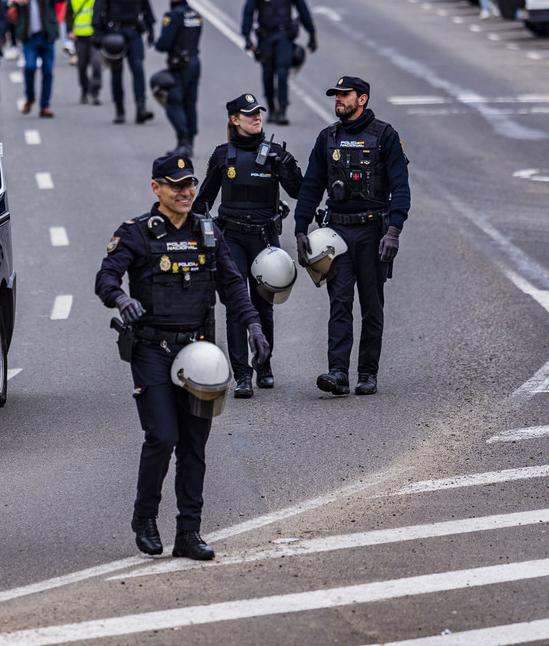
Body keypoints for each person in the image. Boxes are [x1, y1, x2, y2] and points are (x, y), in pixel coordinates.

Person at [95, 154, 269, 561]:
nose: (186, 191)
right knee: (163, 437)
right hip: (152, 351)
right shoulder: (136, 233)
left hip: (198, 351)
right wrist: (121, 299)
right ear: (157, 189)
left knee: (193, 445)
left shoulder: (208, 231)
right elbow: (105, 277)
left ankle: (189, 533)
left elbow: (232, 284)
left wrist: (254, 326)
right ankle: (145, 518)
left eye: (190, 183)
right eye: (176, 185)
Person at [294, 76, 410, 397]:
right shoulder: (327, 138)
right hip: (338, 232)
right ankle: (338, 372)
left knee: (371, 305)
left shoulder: (385, 137)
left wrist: (394, 231)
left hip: (374, 232)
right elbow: (311, 187)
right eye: (336, 95)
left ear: (362, 99)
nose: (338, 100)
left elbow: (401, 187)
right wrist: (301, 228)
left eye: (344, 95)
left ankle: (368, 373)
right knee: (339, 303)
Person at [193, 93, 302, 398]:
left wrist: (289, 167)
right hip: (232, 239)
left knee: (263, 306)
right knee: (235, 306)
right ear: (234, 119)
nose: (257, 118)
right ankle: (242, 374)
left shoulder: (275, 154)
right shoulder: (222, 156)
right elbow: (202, 203)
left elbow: (299, 192)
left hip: (264, 238)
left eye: (259, 113)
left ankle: (264, 364)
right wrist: (207, 235)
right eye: (249, 114)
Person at [241, 0, 316, 126]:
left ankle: (282, 109)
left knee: (282, 72)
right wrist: (246, 36)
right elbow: (248, 13)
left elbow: (303, 11)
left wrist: (312, 34)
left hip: (284, 37)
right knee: (267, 74)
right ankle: (271, 109)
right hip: (265, 37)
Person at [93, 0, 156, 125]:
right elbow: (99, 7)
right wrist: (96, 31)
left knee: (137, 68)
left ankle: (141, 107)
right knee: (116, 71)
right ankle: (119, 109)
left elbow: (146, 5)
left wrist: (151, 28)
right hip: (115, 32)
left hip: (134, 30)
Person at [6, 0, 64, 118]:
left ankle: (45, 105)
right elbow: (5, 0)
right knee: (30, 67)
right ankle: (30, 96)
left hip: (47, 35)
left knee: (48, 71)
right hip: (29, 36)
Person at [153, 0, 202, 157]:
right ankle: (190, 141)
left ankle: (183, 140)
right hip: (195, 62)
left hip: (179, 64)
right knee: (190, 102)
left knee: (174, 102)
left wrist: (157, 43)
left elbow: (164, 43)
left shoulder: (173, 15)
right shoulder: (195, 14)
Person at [65, 0, 103, 105]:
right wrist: (69, 30)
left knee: (97, 64)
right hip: (80, 35)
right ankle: (84, 90)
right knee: (82, 65)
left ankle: (95, 91)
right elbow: (68, 12)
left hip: (96, 34)